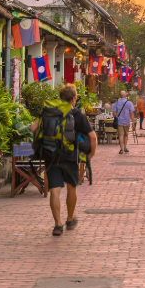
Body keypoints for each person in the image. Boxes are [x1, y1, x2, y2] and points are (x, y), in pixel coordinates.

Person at [30, 83, 96, 237]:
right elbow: (92, 136)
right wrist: (90, 154)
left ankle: (57, 224)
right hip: (70, 156)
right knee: (72, 187)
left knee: (54, 189)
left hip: (50, 155)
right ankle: (70, 219)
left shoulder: (48, 112)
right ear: (73, 98)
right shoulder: (77, 114)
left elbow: (33, 128)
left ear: (60, 97)